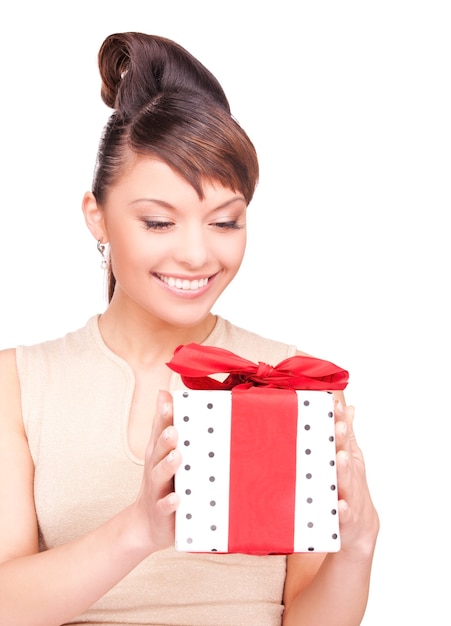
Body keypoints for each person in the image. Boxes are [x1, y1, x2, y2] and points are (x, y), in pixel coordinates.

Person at [0, 31, 379, 626]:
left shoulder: (290, 379)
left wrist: (356, 548)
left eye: (225, 222)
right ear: (96, 217)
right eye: (158, 222)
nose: (197, 254)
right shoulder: (19, 384)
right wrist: (140, 531)